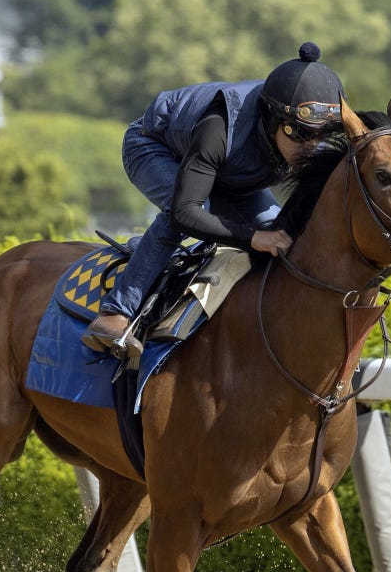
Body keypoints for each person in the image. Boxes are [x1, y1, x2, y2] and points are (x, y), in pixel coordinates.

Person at [82, 41, 347, 359]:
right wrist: (252, 237)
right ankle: (115, 313)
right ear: (272, 119)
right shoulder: (219, 126)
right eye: (301, 134)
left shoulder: (296, 138)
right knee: (194, 213)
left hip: (228, 173)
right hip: (156, 147)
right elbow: (185, 212)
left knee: (281, 235)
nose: (311, 147)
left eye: (322, 135)